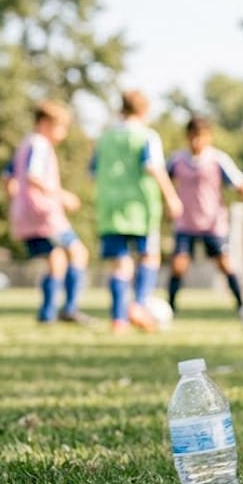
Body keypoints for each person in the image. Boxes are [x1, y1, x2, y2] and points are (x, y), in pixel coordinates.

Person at [92, 90, 183, 333]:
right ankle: (140, 305)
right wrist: (172, 197)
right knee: (149, 256)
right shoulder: (146, 136)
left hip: (110, 207)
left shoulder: (105, 138)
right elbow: (154, 167)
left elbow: (93, 171)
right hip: (140, 208)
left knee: (121, 265)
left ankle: (118, 319)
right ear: (144, 111)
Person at [6, 100, 92, 324]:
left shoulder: (24, 144)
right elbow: (34, 176)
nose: (62, 133)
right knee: (79, 253)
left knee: (57, 259)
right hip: (44, 214)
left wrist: (17, 198)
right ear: (45, 123)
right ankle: (69, 308)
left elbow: (8, 178)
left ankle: (47, 314)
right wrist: (61, 195)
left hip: (26, 214)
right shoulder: (40, 145)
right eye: (60, 127)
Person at [165, 116, 243, 322]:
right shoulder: (176, 160)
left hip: (213, 224)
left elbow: (242, 184)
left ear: (209, 137)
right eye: (192, 137)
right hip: (185, 222)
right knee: (178, 265)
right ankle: (170, 310)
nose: (196, 142)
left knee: (225, 264)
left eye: (200, 137)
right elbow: (163, 182)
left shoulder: (217, 159)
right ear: (187, 137)